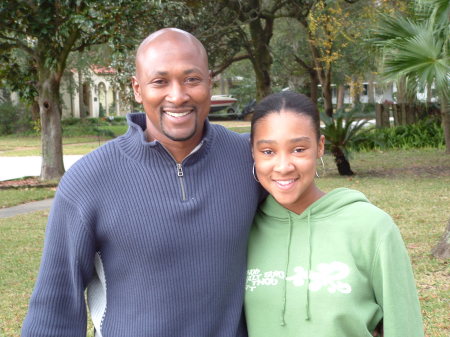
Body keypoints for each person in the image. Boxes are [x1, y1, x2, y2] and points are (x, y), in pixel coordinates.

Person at [22, 28, 263, 337]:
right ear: (137, 88)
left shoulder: (251, 162)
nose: (177, 96)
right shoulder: (88, 181)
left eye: (191, 79)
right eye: (160, 81)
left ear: (209, 82)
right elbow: (55, 305)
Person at [244, 91, 424, 337]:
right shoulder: (243, 228)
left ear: (319, 147)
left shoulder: (371, 227)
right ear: (252, 152)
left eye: (298, 149)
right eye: (267, 151)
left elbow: (403, 326)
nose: (283, 166)